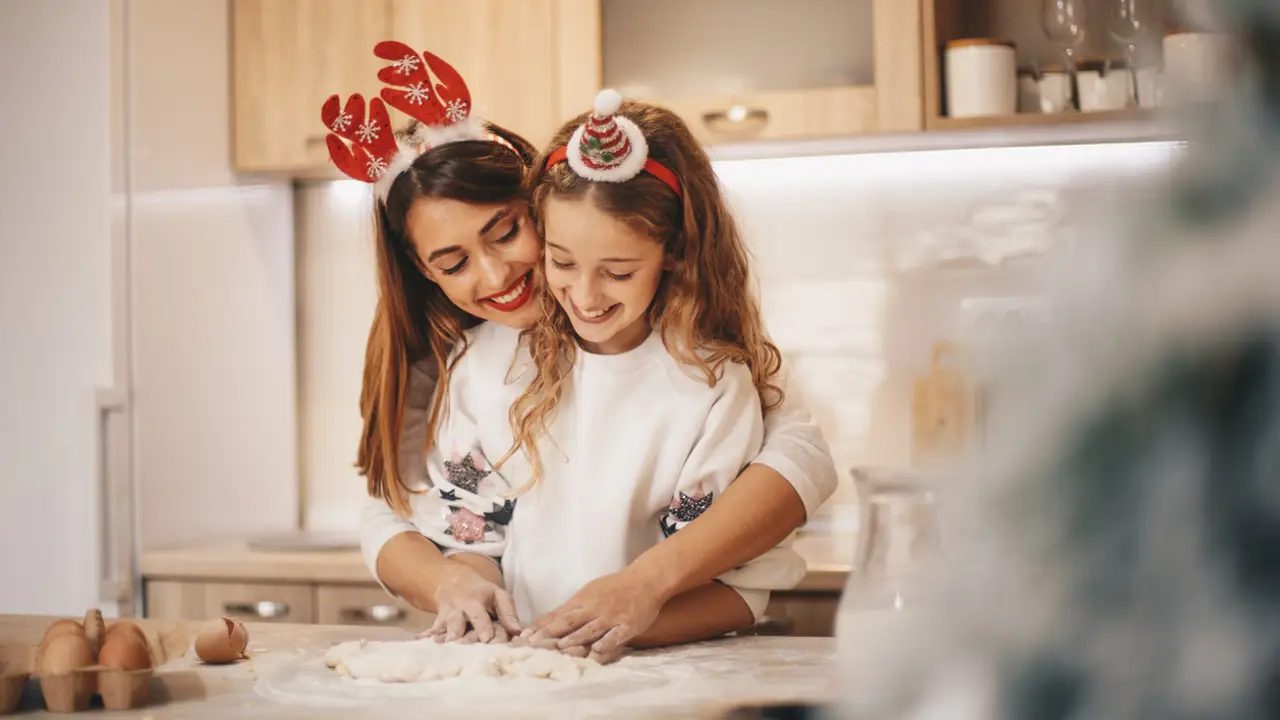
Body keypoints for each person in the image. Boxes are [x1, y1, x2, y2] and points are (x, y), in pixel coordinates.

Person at [335, 43, 838, 660]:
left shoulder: (711, 378)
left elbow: (784, 490)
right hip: (530, 671)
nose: (495, 276)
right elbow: (457, 529)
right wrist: (462, 584)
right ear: (422, 272)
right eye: (455, 261)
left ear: (539, 204)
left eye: (507, 232)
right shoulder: (472, 367)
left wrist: (629, 602)